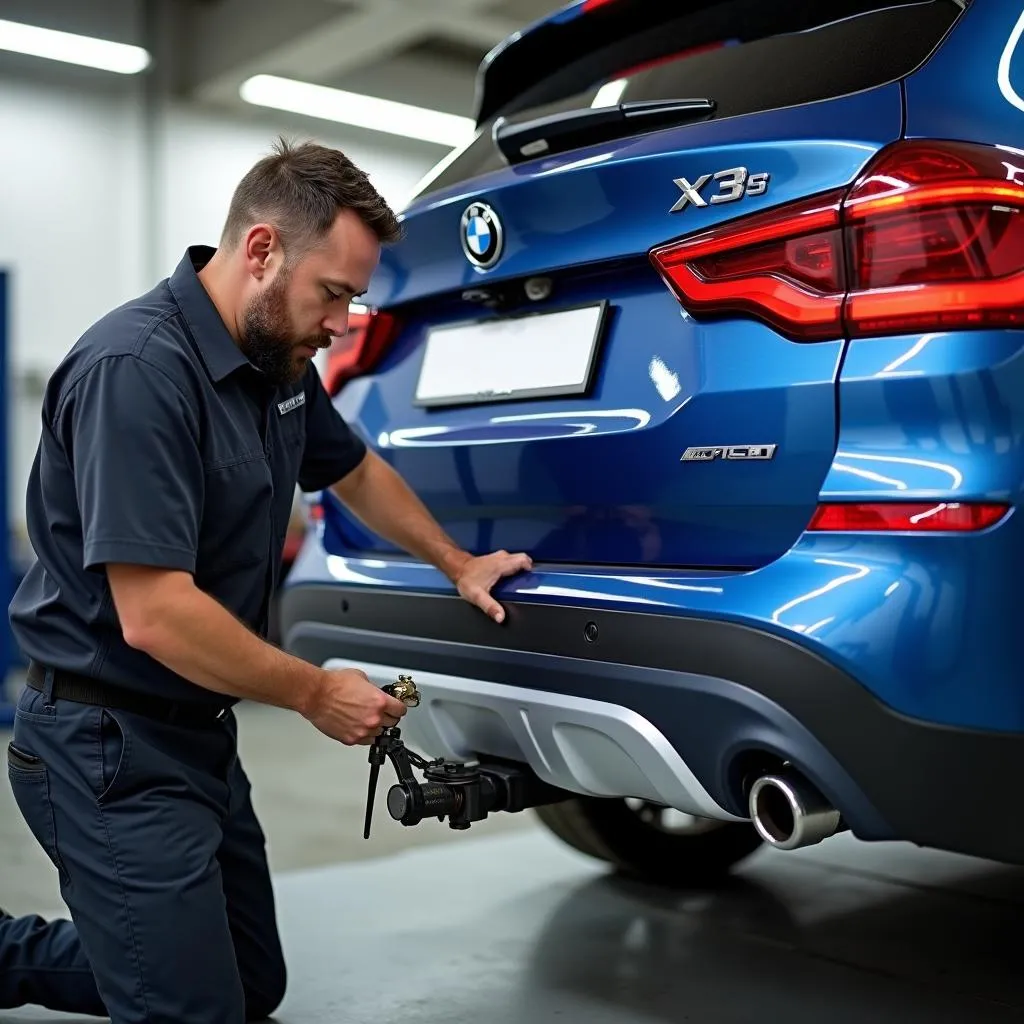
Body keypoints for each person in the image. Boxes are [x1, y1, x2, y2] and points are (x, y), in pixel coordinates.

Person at [0, 137, 533, 1023]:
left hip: (196, 730)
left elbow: (352, 469)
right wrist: (316, 693)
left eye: (354, 301)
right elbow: (157, 616)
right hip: (103, 744)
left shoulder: (277, 363)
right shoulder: (137, 373)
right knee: (198, 1008)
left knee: (249, 984)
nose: (343, 323)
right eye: (334, 294)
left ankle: (146, 957)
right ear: (261, 251)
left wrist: (457, 561)